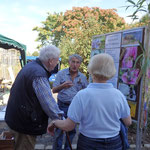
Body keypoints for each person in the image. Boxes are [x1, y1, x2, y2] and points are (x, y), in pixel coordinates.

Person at [48, 53, 132, 150]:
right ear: (111, 71)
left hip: (88, 142)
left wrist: (54, 123)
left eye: (77, 62)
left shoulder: (82, 95)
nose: (75, 64)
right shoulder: (119, 95)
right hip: (114, 142)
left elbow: (68, 126)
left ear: (91, 70)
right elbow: (128, 122)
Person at [5, 45, 63, 150]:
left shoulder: (32, 66)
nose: (56, 64)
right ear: (50, 61)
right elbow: (48, 102)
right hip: (24, 123)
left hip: (17, 118)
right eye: (56, 60)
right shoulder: (38, 74)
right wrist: (61, 119)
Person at [52, 54, 88, 150]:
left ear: (80, 64)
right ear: (69, 62)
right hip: (62, 106)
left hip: (75, 107)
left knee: (72, 131)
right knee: (59, 130)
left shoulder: (83, 77)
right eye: (73, 62)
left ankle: (68, 148)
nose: (74, 65)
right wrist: (63, 86)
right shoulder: (61, 74)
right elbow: (54, 90)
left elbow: (86, 92)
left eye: (77, 62)